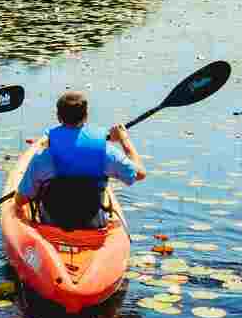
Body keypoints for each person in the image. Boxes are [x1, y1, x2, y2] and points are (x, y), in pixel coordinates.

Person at [14, 90, 146, 229]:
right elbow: (140, 173)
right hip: (93, 222)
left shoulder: (44, 156)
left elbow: (22, 199)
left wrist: (17, 202)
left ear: (59, 117)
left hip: (52, 222)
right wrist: (124, 139)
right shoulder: (106, 152)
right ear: (86, 116)